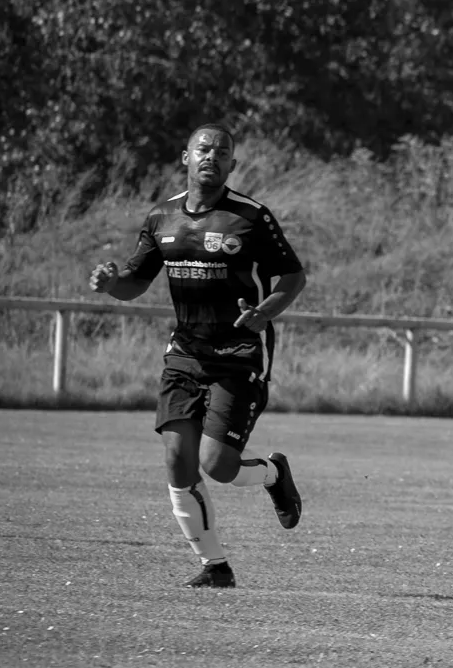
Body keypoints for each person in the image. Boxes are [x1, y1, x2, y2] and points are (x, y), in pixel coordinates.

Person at [87, 124, 305, 588]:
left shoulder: (251, 217)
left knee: (218, 465)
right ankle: (215, 567)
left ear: (232, 165)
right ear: (185, 157)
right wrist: (111, 285)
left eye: (222, 152)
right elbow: (135, 282)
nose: (212, 156)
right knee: (177, 459)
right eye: (203, 149)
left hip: (239, 353)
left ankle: (273, 474)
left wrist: (264, 313)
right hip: (185, 352)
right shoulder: (161, 217)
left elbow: (293, 276)